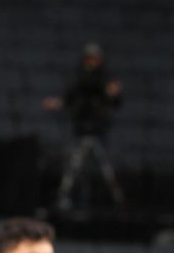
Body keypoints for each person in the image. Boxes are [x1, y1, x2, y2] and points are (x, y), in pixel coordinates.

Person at [42, 42, 124, 209]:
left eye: (94, 59)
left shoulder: (104, 79)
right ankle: (64, 196)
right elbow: (69, 97)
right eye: (89, 58)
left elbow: (114, 101)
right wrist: (56, 103)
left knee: (104, 166)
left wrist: (113, 94)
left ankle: (116, 199)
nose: (91, 62)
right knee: (75, 164)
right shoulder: (80, 79)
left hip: (98, 128)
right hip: (82, 127)